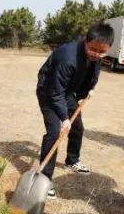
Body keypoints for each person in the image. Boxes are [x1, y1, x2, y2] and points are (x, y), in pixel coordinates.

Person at [35, 23, 113, 198]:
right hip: (49, 91)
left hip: (68, 93)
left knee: (77, 128)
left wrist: (84, 94)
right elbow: (55, 92)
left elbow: (93, 75)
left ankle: (72, 161)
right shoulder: (67, 56)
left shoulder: (97, 55)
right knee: (55, 133)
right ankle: (44, 179)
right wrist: (64, 118)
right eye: (93, 50)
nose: (97, 55)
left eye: (102, 52)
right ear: (86, 41)